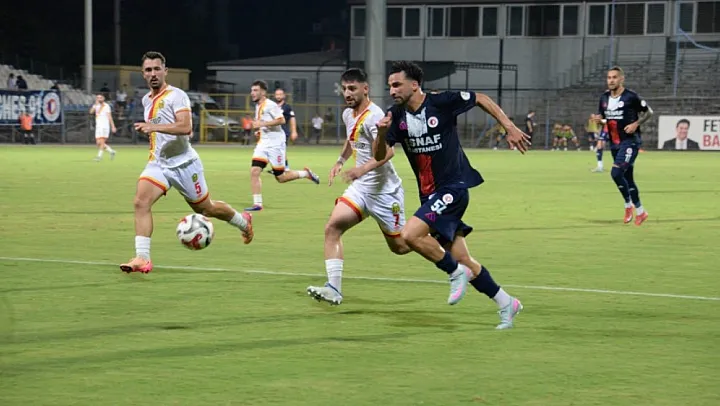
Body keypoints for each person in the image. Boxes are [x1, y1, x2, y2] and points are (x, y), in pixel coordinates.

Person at [374, 61, 530, 330]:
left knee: (410, 235)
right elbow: (379, 155)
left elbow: (481, 98)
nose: (392, 91)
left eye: (397, 85)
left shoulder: (441, 102)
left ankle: (454, 273)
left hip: (453, 188)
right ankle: (507, 303)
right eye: (390, 86)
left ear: (414, 85)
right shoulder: (395, 115)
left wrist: (509, 126)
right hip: (429, 196)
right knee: (463, 258)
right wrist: (381, 132)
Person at [121, 51, 254, 274]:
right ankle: (142, 258)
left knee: (206, 208)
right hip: (158, 163)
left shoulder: (177, 96)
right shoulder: (146, 100)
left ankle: (243, 222)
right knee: (140, 202)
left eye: (157, 69)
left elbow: (185, 127)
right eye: (148, 70)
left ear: (165, 71)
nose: (153, 74)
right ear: (143, 74)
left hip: (184, 164)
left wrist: (153, 127)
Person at [306, 68, 411, 305]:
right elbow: (351, 139)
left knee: (401, 247)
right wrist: (340, 161)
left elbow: (389, 152)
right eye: (344, 89)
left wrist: (361, 169)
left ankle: (436, 236)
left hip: (385, 192)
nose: (347, 93)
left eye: (352, 88)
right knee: (332, 228)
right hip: (361, 189)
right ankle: (334, 289)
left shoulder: (375, 116)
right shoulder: (348, 114)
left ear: (365, 89)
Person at [591, 66, 654, 225]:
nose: (611, 80)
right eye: (609, 78)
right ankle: (641, 212)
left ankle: (628, 205)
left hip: (630, 142)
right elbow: (606, 120)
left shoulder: (631, 97)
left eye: (614, 77)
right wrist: (599, 121)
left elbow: (649, 112)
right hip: (615, 143)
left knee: (616, 173)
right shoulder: (604, 98)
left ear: (621, 79)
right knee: (628, 179)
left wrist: (636, 124)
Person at [245, 80, 319, 211]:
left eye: (255, 90)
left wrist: (262, 124)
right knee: (254, 171)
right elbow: (263, 122)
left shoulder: (270, 105)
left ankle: (305, 174)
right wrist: (259, 130)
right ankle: (257, 204)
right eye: (252, 90)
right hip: (263, 144)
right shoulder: (258, 106)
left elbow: (282, 120)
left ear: (263, 92)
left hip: (276, 145)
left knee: (281, 177)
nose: (252, 93)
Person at [273, 88, 298, 170]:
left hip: (282, 132)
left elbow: (292, 118)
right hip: (273, 132)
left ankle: (286, 167)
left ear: (284, 96)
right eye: (277, 94)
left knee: (281, 150)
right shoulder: (272, 106)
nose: (278, 96)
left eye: (280, 94)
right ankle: (278, 167)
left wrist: (294, 131)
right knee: (274, 151)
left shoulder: (287, 107)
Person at [89, 94, 117, 161]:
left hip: (104, 126)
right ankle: (111, 151)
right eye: (98, 97)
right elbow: (91, 112)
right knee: (98, 143)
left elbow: (109, 117)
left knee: (102, 141)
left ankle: (99, 156)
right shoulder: (96, 105)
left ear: (103, 98)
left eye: (100, 97)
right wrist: (95, 105)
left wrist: (113, 126)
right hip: (98, 126)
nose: (99, 99)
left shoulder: (106, 106)